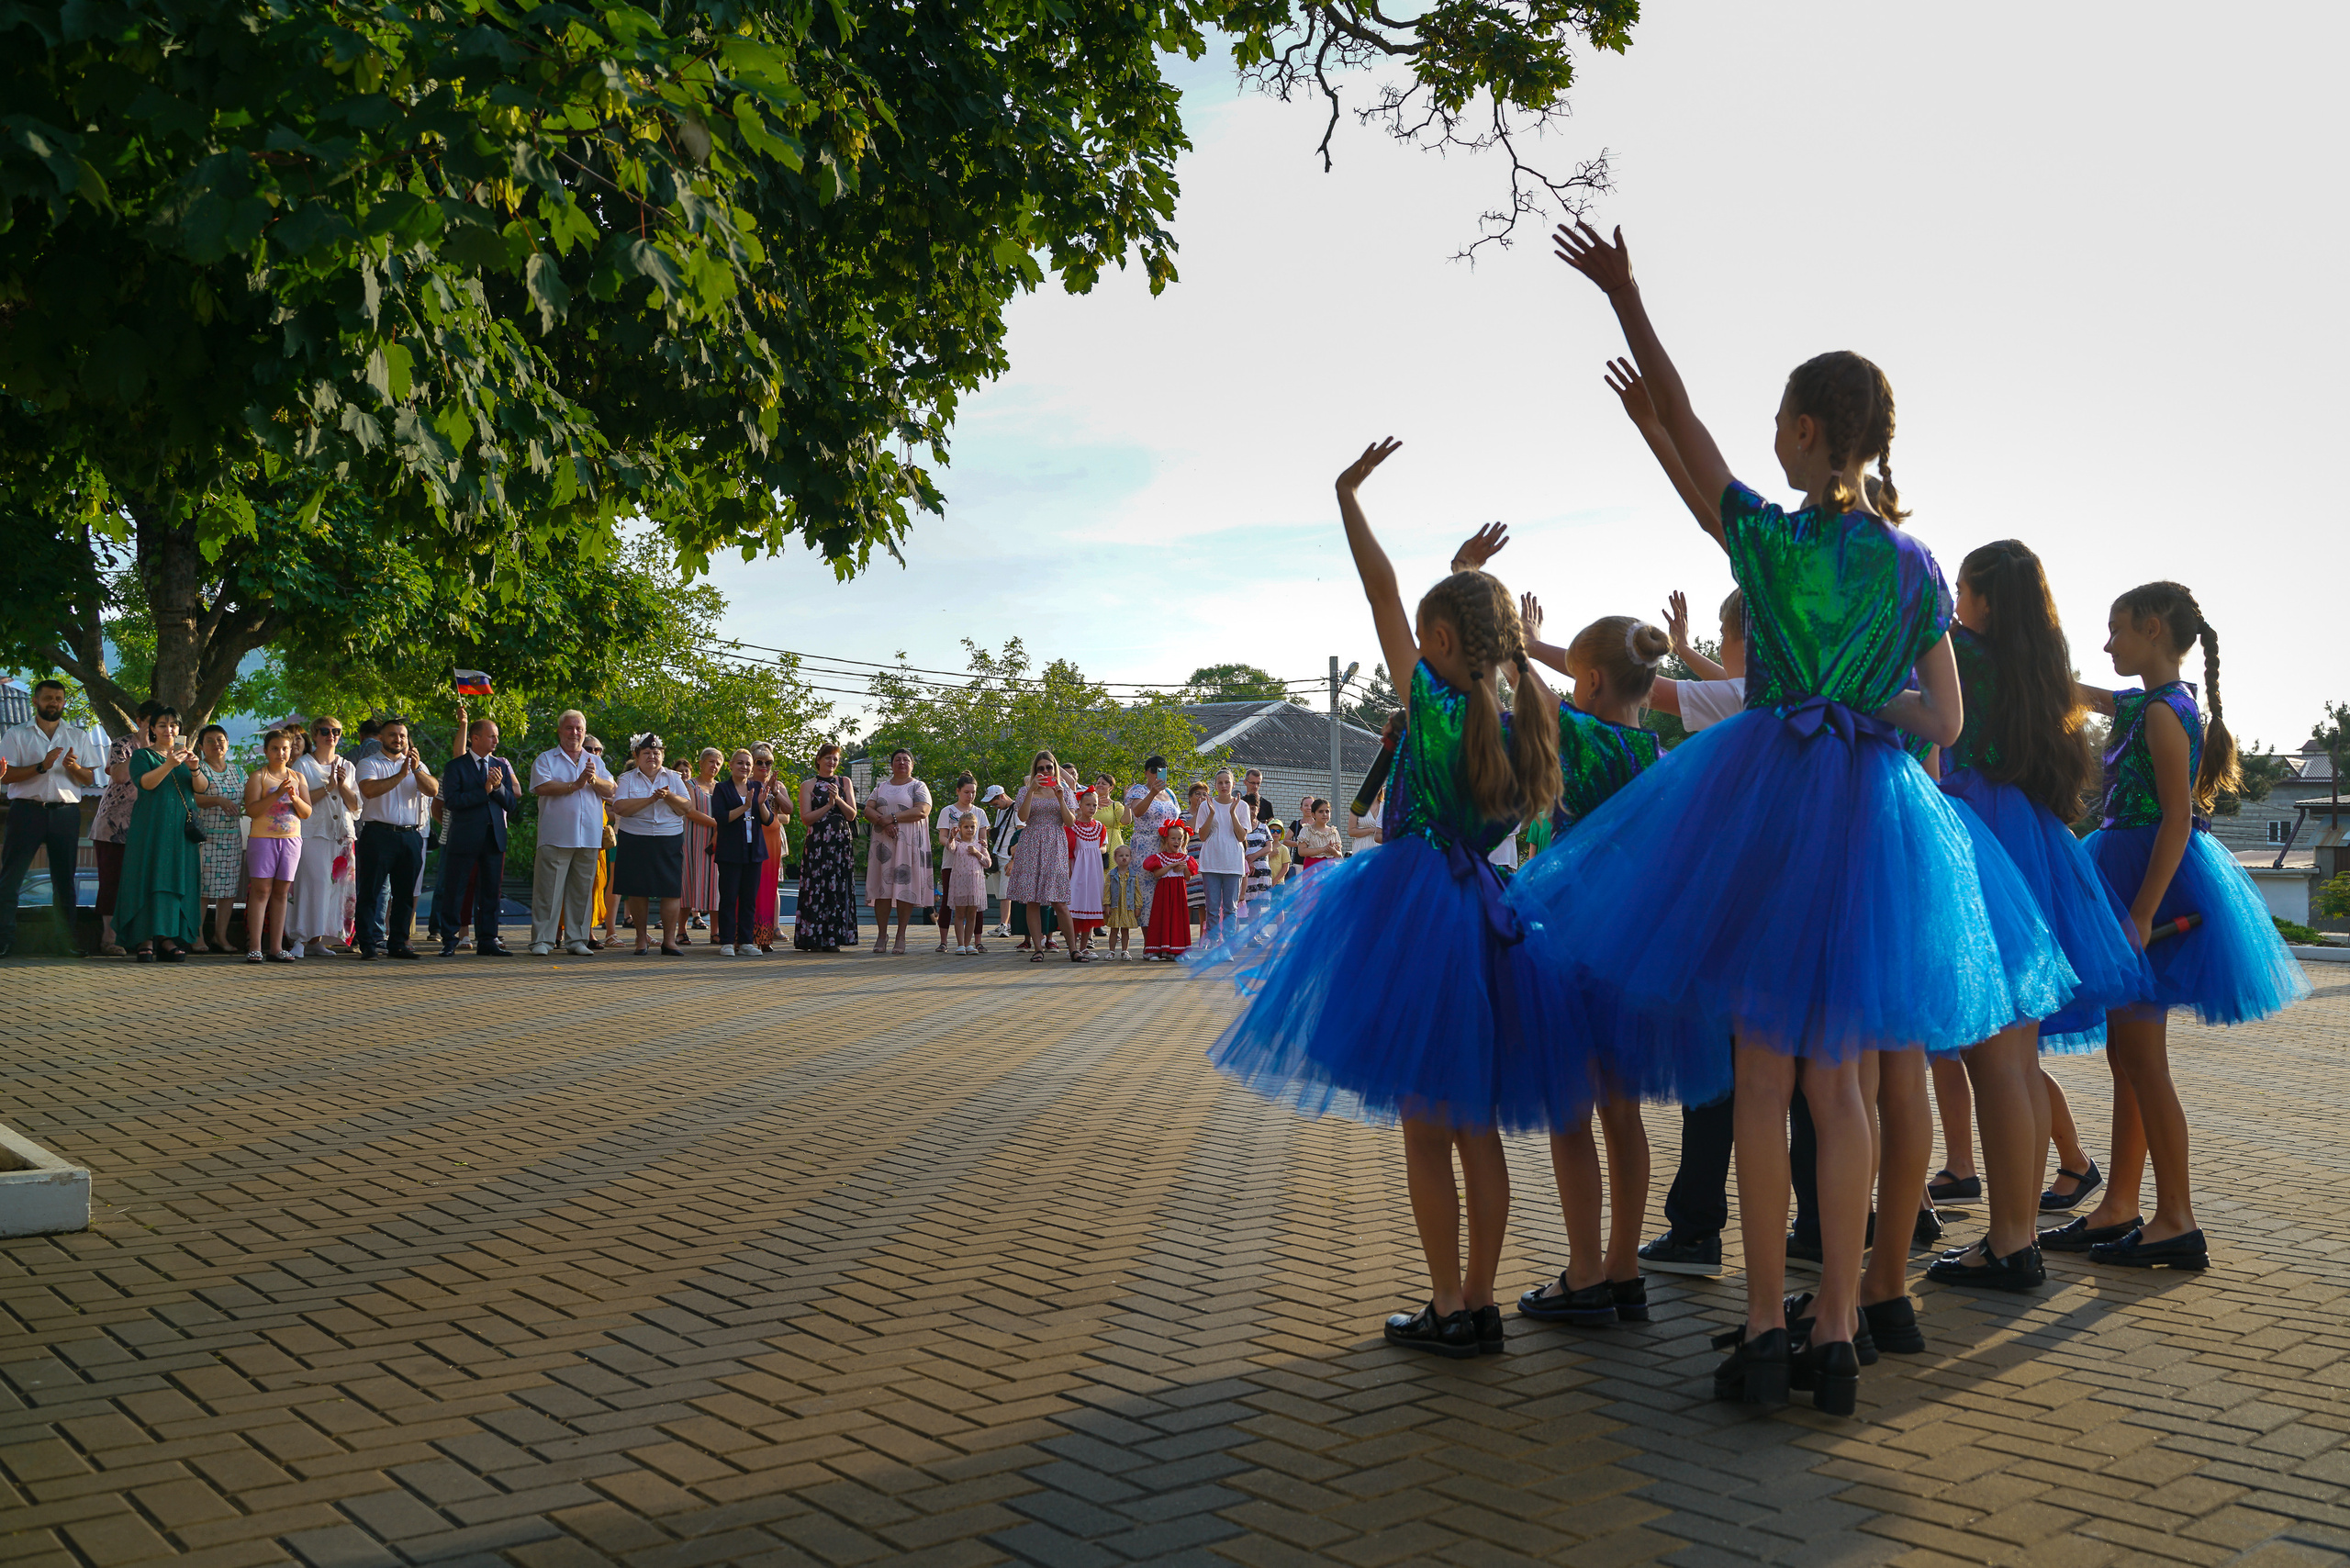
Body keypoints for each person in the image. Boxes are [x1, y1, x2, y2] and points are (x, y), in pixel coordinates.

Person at [1533, 224, 2073, 1414]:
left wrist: (1628, 299)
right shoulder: (1913, 564)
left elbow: (1685, 430)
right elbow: (1944, 717)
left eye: (1780, 420)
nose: (1771, 437)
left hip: (1768, 806)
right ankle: (1839, 1325)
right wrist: (1864, 705)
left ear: (1811, 430)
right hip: (1874, 818)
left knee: (1763, 1088)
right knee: (1845, 1089)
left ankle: (1765, 1324)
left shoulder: (1771, 545)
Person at [1202, 444, 1573, 1365]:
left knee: (1425, 1134)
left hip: (1415, 914)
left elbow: (1380, 591)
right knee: (1478, 1128)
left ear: (1438, 643)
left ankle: (1447, 1304)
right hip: (1490, 917)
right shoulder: (1524, 717)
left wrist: (1348, 497)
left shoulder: (1431, 704)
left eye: (1425, 631)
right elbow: (1454, 629)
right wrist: (1474, 584)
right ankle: (1481, 1302)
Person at [1907, 542, 2152, 1292]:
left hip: (1974, 838)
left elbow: (1918, 726)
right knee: (2015, 1063)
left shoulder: (1957, 653)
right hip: (2030, 838)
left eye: (1962, 590)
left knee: (1992, 1063)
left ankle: (2009, 1243)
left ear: (1984, 599)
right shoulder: (2039, 668)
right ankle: (2014, 1238)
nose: (1954, 603)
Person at [2047, 581, 2311, 1271]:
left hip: (2148, 885)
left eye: (2116, 629)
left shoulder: (2166, 713)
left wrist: (2140, 914)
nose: (2107, 643)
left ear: (2154, 629)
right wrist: (2020, 656)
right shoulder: (2148, 703)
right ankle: (2120, 1205)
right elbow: (2083, 695)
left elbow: (2175, 820)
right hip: (2127, 872)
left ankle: (2176, 1219)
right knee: (2127, 1057)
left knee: (2144, 1062)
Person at [1513, 596, 1673, 1328]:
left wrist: (1521, 644)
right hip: (1636, 940)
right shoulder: (1655, 754)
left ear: (1595, 683)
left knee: (1571, 1108)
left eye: (1577, 677)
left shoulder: (1578, 733)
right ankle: (1624, 1269)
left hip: (1570, 931)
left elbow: (1525, 691)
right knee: (1622, 1111)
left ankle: (1582, 1275)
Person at [0, 678, 105, 958]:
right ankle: (4, 940)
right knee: (11, 878)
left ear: (64, 703)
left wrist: (74, 767)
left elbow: (89, 778)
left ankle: (65, 942)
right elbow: (5, 776)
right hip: (26, 811)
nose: (53, 703)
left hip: (65, 813)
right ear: (35, 700)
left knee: (64, 880)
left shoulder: (77, 736)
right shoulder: (16, 734)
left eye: (58, 699)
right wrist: (41, 766)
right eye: (48, 698)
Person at [116, 702, 213, 963]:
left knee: (174, 880)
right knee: (148, 878)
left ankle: (167, 938)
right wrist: (169, 764)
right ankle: (145, 939)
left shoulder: (187, 756)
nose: (169, 730)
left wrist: (194, 767)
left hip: (180, 833)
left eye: (173, 725)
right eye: (162, 725)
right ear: (153, 729)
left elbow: (201, 788)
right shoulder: (142, 756)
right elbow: (146, 783)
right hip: (150, 829)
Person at [611, 734, 709, 956]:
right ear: (637, 756)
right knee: (637, 891)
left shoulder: (674, 777)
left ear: (663, 756)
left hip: (668, 838)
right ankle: (641, 939)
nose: (652, 756)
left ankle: (669, 941)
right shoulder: (627, 778)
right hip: (635, 837)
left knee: (671, 891)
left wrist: (668, 796)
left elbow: (686, 807)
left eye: (656, 753)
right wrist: (651, 799)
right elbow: (620, 807)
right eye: (646, 753)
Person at [528, 710, 612, 957]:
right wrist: (574, 785)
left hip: (589, 837)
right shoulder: (546, 758)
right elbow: (541, 786)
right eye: (569, 728)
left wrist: (593, 780)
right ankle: (542, 940)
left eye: (579, 729)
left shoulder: (595, 761)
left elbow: (611, 788)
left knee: (582, 892)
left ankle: (577, 940)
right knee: (548, 891)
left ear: (584, 732)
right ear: (559, 731)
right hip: (556, 836)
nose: (574, 733)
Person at [353, 717, 438, 959]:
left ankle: (399, 943)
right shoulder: (369, 763)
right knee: (370, 892)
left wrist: (416, 769)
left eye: (402, 735)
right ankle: (368, 944)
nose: (398, 739)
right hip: (378, 834)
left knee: (405, 894)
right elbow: (369, 790)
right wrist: (401, 775)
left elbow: (433, 789)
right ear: (381, 737)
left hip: (410, 835)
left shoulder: (417, 765)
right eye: (392, 735)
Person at [436, 717, 520, 958]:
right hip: (464, 837)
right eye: (491, 736)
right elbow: (452, 802)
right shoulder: (456, 766)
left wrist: (498, 788)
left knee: (491, 892)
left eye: (497, 736)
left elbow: (511, 804)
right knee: (456, 889)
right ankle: (449, 940)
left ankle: (488, 940)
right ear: (475, 738)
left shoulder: (500, 766)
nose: (496, 741)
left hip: (493, 837)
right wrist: (484, 790)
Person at [240, 728, 311, 961]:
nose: (281, 753)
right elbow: (252, 810)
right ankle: (255, 946)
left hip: (291, 840)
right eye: (275, 748)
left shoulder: (298, 777)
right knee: (261, 891)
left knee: (281, 893)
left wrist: (294, 797)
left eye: (285, 749)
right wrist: (277, 793)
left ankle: (276, 948)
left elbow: (306, 812)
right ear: (266, 751)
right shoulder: (258, 777)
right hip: (263, 840)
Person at [289, 718, 358, 958]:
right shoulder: (303, 765)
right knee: (312, 885)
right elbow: (300, 802)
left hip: (342, 835)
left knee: (335, 889)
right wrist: (329, 786)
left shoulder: (348, 766)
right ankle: (299, 939)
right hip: (313, 832)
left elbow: (355, 805)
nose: (331, 735)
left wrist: (342, 785)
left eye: (336, 731)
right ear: (315, 734)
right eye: (326, 731)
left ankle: (318, 940)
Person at [1008, 750, 1085, 963]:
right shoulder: (1025, 791)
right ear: (1035, 771)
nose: (1045, 771)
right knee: (1032, 899)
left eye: (1049, 767)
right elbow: (1023, 817)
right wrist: (1031, 791)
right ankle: (1038, 948)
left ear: (1055, 769)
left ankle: (1073, 949)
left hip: (1055, 843)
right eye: (1040, 768)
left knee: (1059, 901)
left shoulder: (1064, 790)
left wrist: (1060, 798)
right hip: (1031, 843)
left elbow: (1070, 822)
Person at [865, 747, 934, 956]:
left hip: (908, 845)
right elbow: (868, 809)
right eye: (897, 759)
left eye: (906, 759)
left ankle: (901, 935)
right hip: (883, 844)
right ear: (891, 765)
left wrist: (893, 817)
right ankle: (881, 935)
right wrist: (884, 823)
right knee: (882, 889)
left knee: (905, 887)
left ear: (912, 765)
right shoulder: (881, 787)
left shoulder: (918, 786)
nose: (901, 762)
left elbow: (922, 810)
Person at [710, 747, 775, 956]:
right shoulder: (722, 788)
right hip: (730, 851)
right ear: (730, 765)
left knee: (749, 899)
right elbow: (721, 817)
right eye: (740, 763)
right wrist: (745, 806)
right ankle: (727, 941)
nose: (744, 767)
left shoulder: (757, 786)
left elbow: (768, 820)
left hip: (754, 851)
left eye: (748, 764)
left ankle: (747, 941)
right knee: (729, 898)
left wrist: (760, 804)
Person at [794, 743, 858, 951]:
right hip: (817, 843)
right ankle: (813, 939)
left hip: (840, 844)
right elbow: (806, 818)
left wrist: (837, 799)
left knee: (837, 887)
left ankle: (833, 939)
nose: (832, 762)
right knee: (816, 887)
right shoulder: (808, 785)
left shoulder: (844, 782)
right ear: (819, 760)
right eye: (828, 758)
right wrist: (828, 805)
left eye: (835, 759)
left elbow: (852, 815)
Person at [188, 725, 247, 953]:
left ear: (228, 743)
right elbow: (191, 797)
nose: (216, 744)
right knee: (203, 890)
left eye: (220, 739)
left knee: (228, 890)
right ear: (201, 747)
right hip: (204, 837)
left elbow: (250, 797)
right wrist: (218, 800)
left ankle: (221, 937)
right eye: (210, 741)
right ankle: (197, 936)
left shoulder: (239, 771)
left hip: (232, 837)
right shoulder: (197, 769)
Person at [1192, 768, 1250, 943]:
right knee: (1212, 908)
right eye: (1220, 783)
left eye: (1227, 782)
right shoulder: (1206, 805)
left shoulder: (1242, 806)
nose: (1224, 786)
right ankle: (1213, 943)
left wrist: (1232, 813)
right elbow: (1203, 836)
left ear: (1233, 784)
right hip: (1211, 863)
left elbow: (1241, 837)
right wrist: (1211, 813)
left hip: (1233, 863)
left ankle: (1227, 945)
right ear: (1215, 785)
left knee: (1230, 908)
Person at [933, 774, 984, 954]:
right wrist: (953, 841)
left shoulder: (980, 812)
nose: (970, 796)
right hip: (952, 864)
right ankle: (944, 941)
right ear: (958, 791)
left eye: (973, 792)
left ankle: (977, 942)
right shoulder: (947, 811)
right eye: (966, 792)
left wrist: (979, 850)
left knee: (975, 903)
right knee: (949, 900)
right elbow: (942, 837)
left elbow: (983, 839)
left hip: (974, 866)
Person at [677, 747, 722, 942]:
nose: (714, 766)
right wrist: (717, 823)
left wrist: (719, 831)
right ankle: (681, 931)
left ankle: (715, 932)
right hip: (693, 841)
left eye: (718, 763)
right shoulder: (690, 785)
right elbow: (690, 812)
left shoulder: (721, 787)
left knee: (716, 886)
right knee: (688, 883)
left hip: (717, 842)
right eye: (711, 761)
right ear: (701, 763)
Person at [1140, 819, 1197, 961]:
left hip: (1179, 894)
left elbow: (1188, 878)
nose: (1176, 842)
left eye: (1179, 839)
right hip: (1164, 893)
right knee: (1161, 918)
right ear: (1166, 840)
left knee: (1178, 919)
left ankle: (1177, 950)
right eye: (1173, 838)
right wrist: (1171, 866)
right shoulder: (1160, 858)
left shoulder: (1186, 859)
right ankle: (1156, 950)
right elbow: (1157, 874)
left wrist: (1184, 868)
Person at [749, 745, 788, 952]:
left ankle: (769, 931)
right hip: (749, 837)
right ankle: (746, 933)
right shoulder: (744, 784)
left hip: (772, 838)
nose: (764, 766)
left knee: (770, 886)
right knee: (749, 884)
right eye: (759, 762)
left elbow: (788, 814)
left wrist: (775, 793)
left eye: (769, 763)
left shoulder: (778, 785)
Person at [945, 812, 992, 955]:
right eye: (966, 827)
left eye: (972, 827)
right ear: (960, 828)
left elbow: (988, 863)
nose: (970, 830)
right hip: (960, 884)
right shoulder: (958, 843)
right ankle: (960, 944)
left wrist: (978, 853)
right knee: (960, 914)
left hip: (975, 885)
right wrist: (951, 837)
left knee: (972, 915)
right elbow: (950, 847)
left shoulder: (980, 844)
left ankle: (968, 944)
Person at [1069, 789, 1107, 949]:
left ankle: (1084, 947)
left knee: (1091, 907)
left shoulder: (1100, 827)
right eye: (1088, 804)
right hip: (1078, 872)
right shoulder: (1072, 827)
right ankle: (1072, 948)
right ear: (1080, 805)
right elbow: (1069, 853)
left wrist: (1096, 851)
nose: (1092, 808)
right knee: (1076, 907)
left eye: (1094, 805)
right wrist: (1069, 873)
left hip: (1094, 872)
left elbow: (1103, 847)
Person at [984, 784, 1017, 937]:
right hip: (998, 856)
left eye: (995, 802)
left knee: (1005, 895)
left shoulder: (1017, 809)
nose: (994, 806)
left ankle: (1004, 925)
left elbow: (1021, 835)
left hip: (1008, 857)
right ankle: (1006, 925)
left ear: (1002, 796)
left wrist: (1013, 860)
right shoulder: (1001, 811)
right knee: (1000, 894)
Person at [1102, 843, 1145, 959]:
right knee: (1114, 930)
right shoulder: (1111, 875)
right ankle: (1111, 951)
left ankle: (1125, 951)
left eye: (1127, 855)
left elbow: (1137, 892)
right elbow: (1107, 891)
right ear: (1115, 858)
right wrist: (1107, 904)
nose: (1124, 858)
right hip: (1115, 907)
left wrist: (1138, 906)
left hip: (1128, 907)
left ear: (1131, 858)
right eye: (1121, 856)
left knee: (1125, 930)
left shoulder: (1133, 875)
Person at [1292, 799, 1343, 871]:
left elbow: (1340, 856)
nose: (1324, 814)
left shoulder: (1333, 832)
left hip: (1330, 870)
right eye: (1320, 811)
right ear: (1313, 814)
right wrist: (1323, 849)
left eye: (1327, 811)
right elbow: (1301, 851)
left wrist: (1334, 851)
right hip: (1312, 868)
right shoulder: (1307, 830)